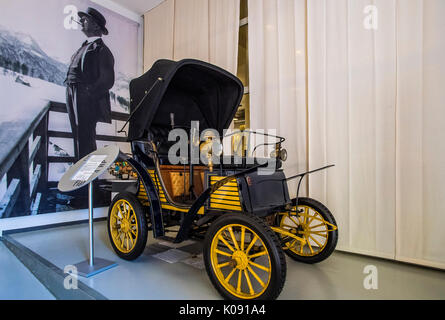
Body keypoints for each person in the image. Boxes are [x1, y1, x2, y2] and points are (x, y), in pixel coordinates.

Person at [65, 7, 115, 161]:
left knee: (86, 139)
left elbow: (107, 80)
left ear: (96, 26)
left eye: (85, 20)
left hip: (85, 99)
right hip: (73, 93)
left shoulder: (102, 50)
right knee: (78, 136)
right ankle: (80, 181)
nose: (81, 21)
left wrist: (87, 94)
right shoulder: (84, 46)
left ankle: (88, 182)